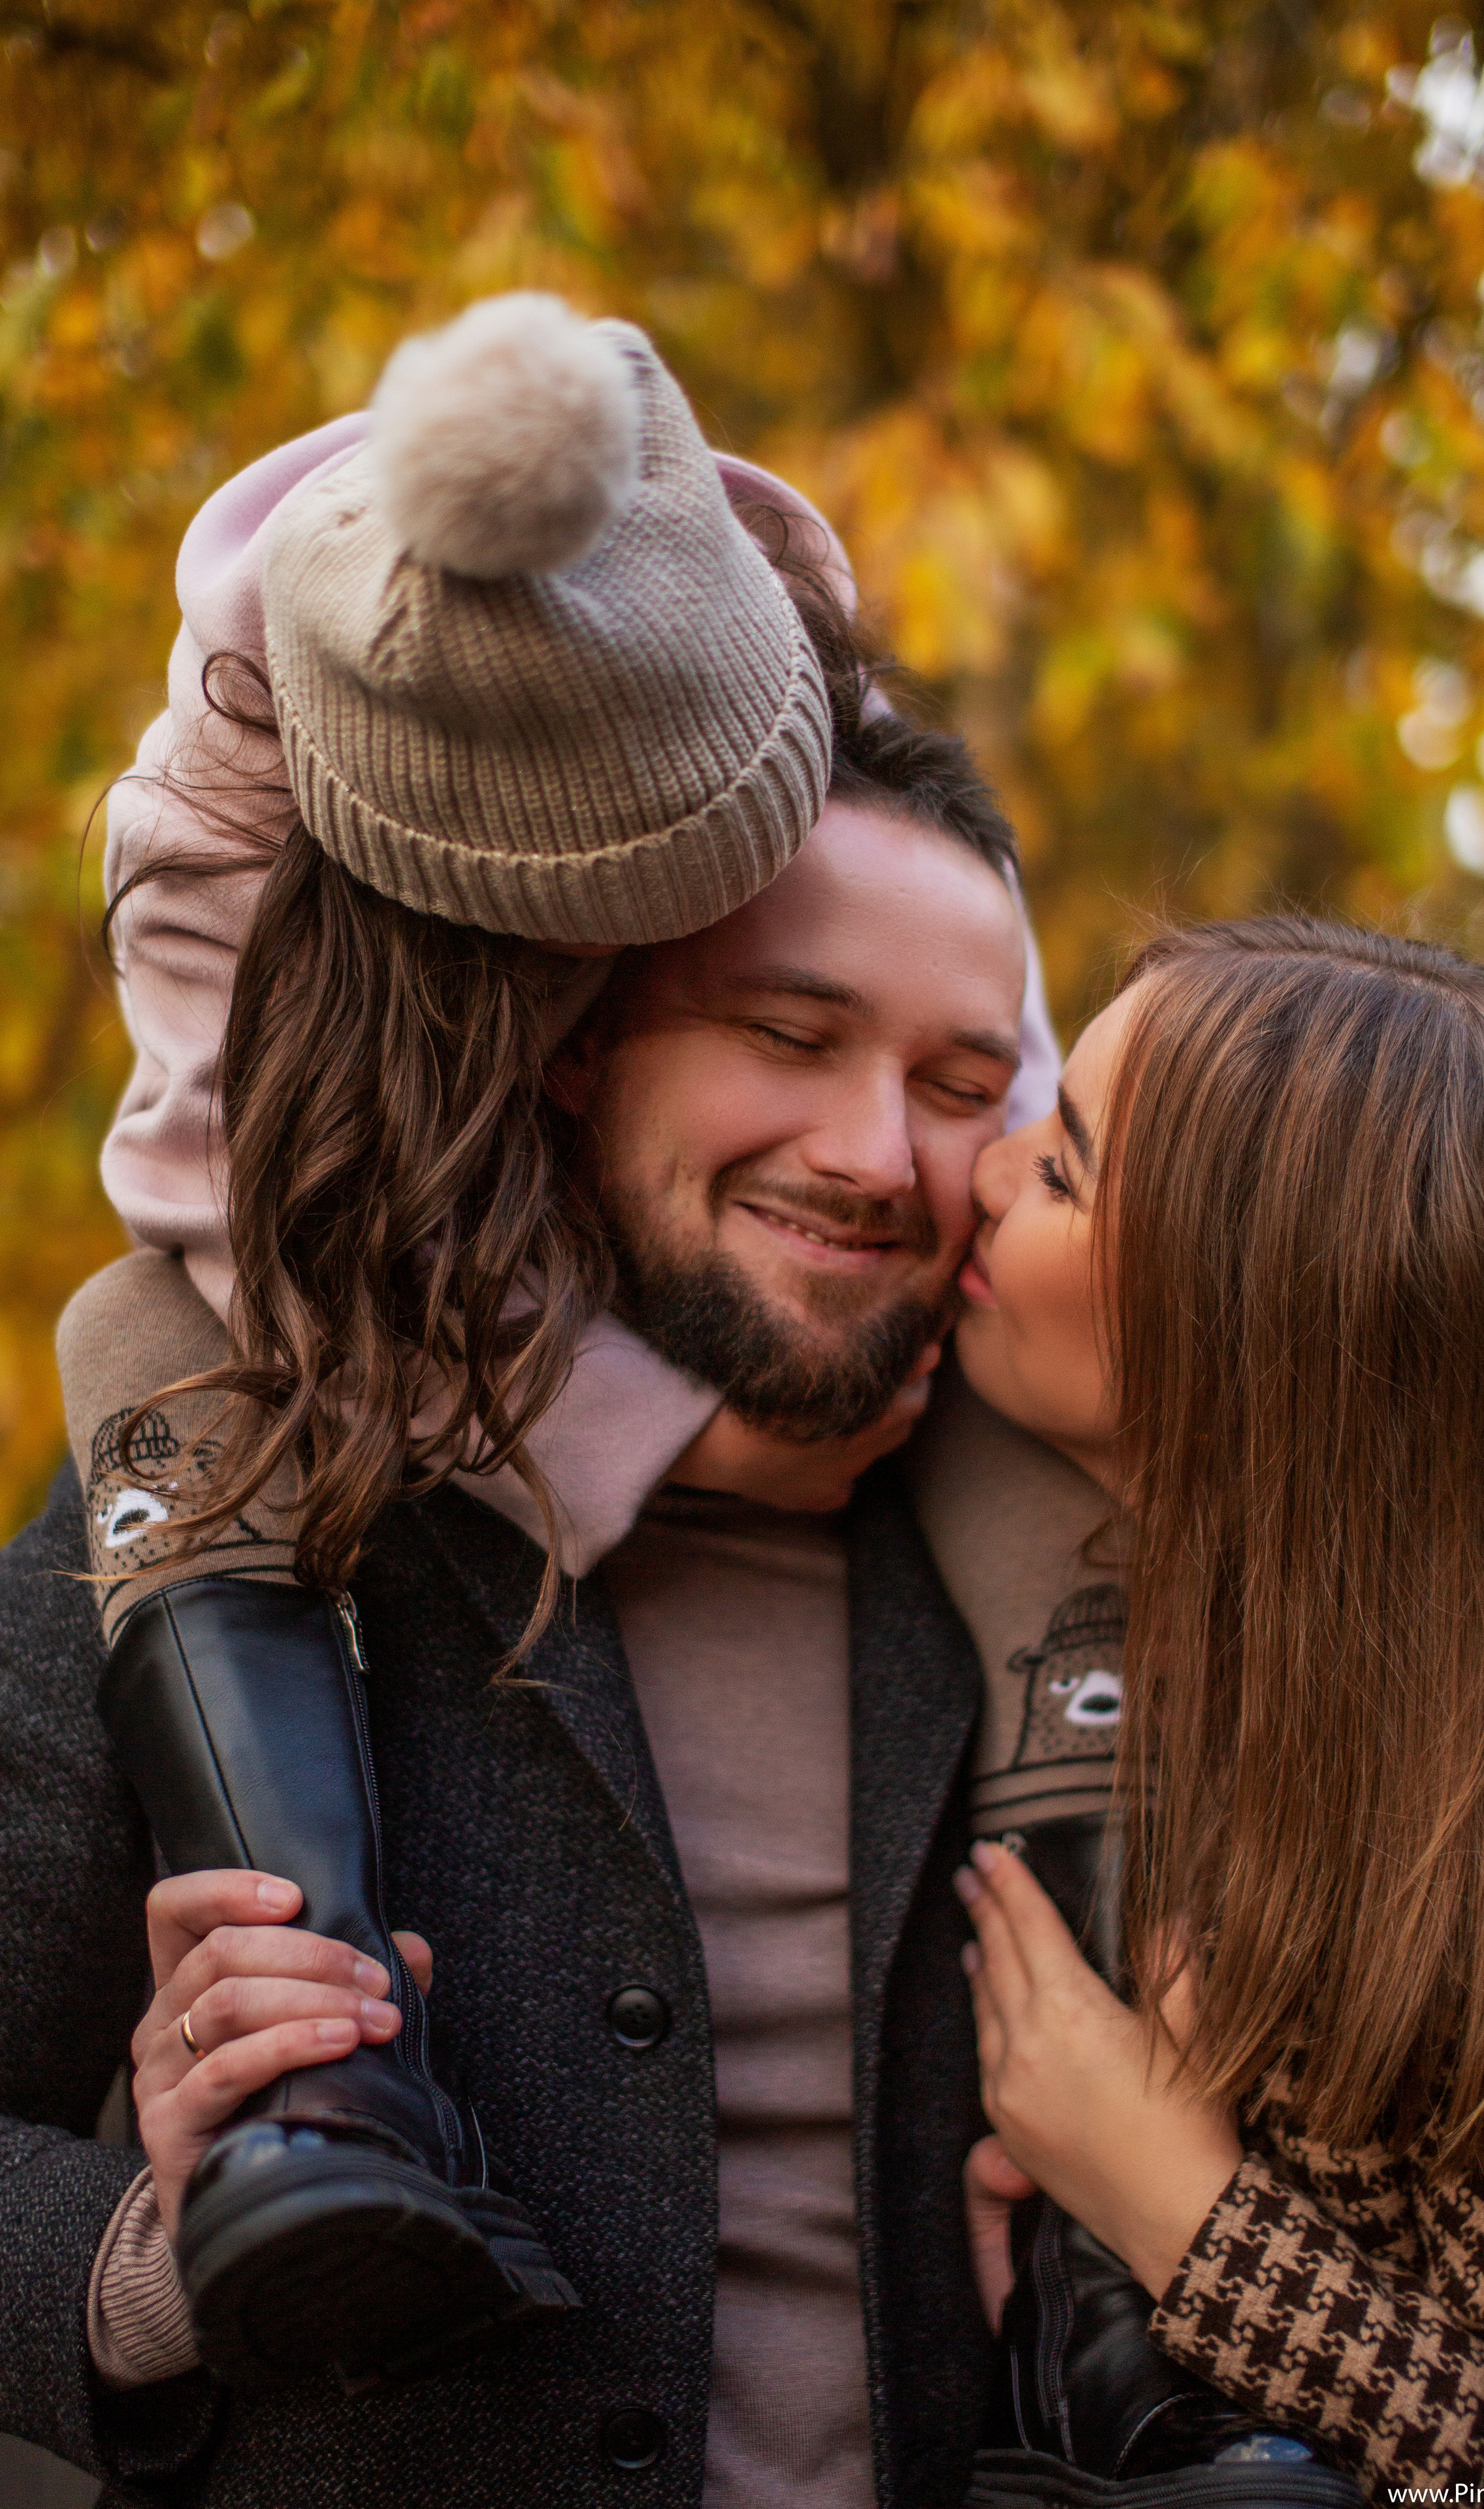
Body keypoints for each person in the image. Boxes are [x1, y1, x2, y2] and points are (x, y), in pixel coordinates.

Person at [0, 388, 1067, 2501]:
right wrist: (151, 2259)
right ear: (571, 1049)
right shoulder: (229, 1488)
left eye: (965, 1083)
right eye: (786, 1035)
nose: (880, 1154)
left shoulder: (1039, 1538)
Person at [950, 916, 1484, 2495]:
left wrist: (1182, 2220)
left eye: (1060, 1172)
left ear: (1255, 1336)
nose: (986, 1179)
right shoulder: (1282, 1709)